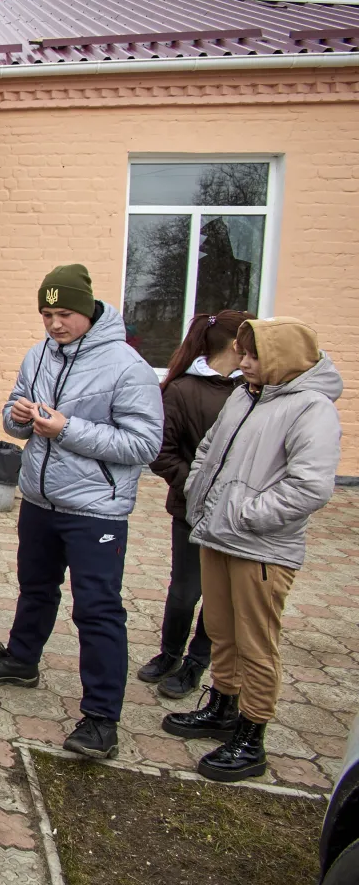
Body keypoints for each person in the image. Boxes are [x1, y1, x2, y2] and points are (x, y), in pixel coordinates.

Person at [0, 264, 163, 760]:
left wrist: (66, 429)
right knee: (35, 588)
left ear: (89, 310)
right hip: (38, 499)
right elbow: (16, 412)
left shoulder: (126, 366)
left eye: (65, 313)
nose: (55, 324)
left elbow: (144, 444)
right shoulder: (39, 355)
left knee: (97, 610)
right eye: (47, 314)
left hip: (95, 509)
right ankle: (22, 661)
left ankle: (100, 719)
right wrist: (18, 417)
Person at [163, 318, 343, 782]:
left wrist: (245, 513)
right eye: (241, 353)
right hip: (217, 534)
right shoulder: (247, 395)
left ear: (281, 359)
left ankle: (251, 736)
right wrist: (205, 501)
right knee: (222, 631)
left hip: (260, 548)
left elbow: (311, 487)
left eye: (253, 355)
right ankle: (222, 708)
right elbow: (207, 453)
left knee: (256, 644)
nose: (242, 363)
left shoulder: (311, 409)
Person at [138, 310, 251, 699]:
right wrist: (201, 487)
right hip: (192, 508)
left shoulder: (256, 391)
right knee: (186, 590)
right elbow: (162, 453)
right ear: (238, 344)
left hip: (239, 515)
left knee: (220, 597)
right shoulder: (182, 390)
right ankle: (168, 654)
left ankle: (196, 663)